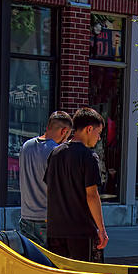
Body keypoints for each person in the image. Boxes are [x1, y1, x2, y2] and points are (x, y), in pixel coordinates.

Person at [46, 107, 108, 262]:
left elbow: (50, 189)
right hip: (81, 232)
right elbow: (92, 195)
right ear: (89, 129)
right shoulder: (89, 157)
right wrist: (101, 229)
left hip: (55, 231)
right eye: (98, 133)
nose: (99, 138)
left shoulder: (55, 154)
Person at [18, 111, 72, 247]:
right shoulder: (57, 152)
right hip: (48, 219)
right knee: (49, 263)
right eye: (68, 135)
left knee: (29, 261)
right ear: (64, 131)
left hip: (26, 216)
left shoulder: (26, 146)